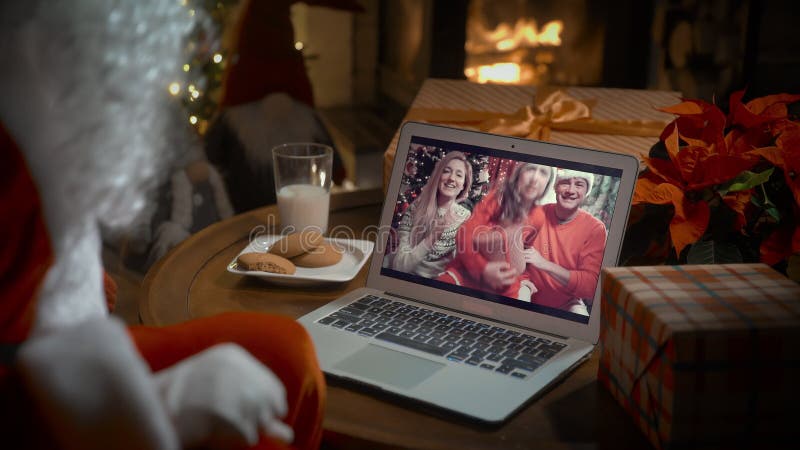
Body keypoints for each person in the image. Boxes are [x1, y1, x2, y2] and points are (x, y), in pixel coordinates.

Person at [0, 2, 323, 449]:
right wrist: (166, 407)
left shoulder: (45, 55)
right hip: (37, 387)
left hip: (66, 327)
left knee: (286, 351)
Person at [438, 162, 553, 300]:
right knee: (442, 288)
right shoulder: (497, 198)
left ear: (548, 182)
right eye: (531, 169)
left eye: (543, 173)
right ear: (518, 174)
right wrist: (483, 269)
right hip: (470, 270)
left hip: (505, 280)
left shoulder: (538, 217)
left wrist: (523, 279)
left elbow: (524, 250)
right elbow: (464, 236)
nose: (535, 178)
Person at [524, 169, 606, 315]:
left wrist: (544, 264)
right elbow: (510, 251)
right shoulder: (535, 214)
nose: (571, 190)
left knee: (581, 326)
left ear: (587, 192)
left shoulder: (595, 229)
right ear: (555, 187)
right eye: (565, 183)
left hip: (567, 302)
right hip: (527, 291)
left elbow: (590, 285)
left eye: (579, 184)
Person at [391, 151, 472, 278]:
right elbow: (399, 267)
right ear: (438, 176)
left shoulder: (465, 217)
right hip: (407, 280)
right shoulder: (416, 208)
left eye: (459, 175)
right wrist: (431, 239)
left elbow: (460, 267)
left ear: (464, 185)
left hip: (439, 287)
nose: (451, 178)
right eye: (446, 171)